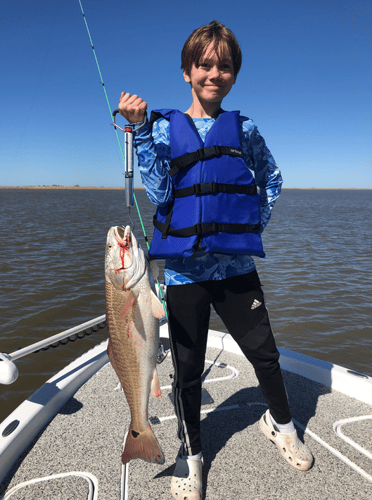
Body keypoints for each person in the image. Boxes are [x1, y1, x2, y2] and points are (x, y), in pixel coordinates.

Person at [118, 20, 313, 500]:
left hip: (237, 270)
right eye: (204, 64)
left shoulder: (244, 128)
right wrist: (140, 132)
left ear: (234, 75)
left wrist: (252, 225)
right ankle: (192, 455)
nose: (214, 73)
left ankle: (281, 424)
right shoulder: (162, 129)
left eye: (224, 66)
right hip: (184, 274)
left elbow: (272, 178)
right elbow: (161, 192)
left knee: (266, 356)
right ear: (187, 72)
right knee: (186, 372)